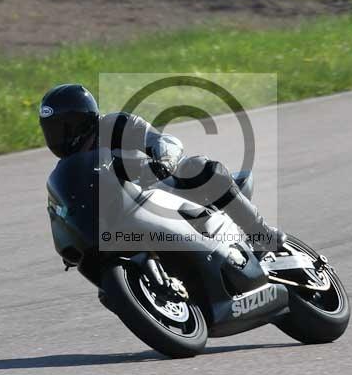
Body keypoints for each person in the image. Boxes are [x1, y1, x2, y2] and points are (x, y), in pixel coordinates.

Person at [39, 83, 285, 254]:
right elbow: (66, 207)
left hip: (163, 190)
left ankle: (260, 233)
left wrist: (164, 161)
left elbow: (164, 142)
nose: (58, 137)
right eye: (51, 130)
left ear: (84, 120)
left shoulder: (116, 125)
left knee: (199, 168)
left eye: (65, 127)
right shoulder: (68, 170)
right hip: (124, 219)